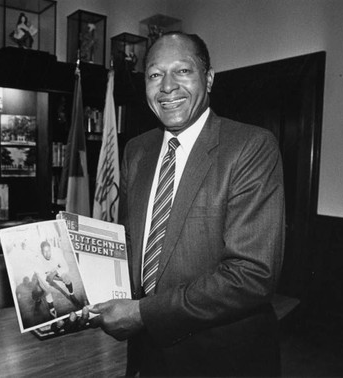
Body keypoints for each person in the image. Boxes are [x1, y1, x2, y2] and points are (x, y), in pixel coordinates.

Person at [85, 32, 285, 376]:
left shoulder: (250, 146)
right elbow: (130, 242)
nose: (167, 86)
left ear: (208, 78)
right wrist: (77, 301)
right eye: (154, 74)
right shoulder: (137, 150)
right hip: (146, 354)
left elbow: (252, 274)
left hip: (220, 359)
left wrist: (143, 313)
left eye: (182, 71)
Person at [32, 241, 76, 319]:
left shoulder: (57, 252)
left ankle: (72, 294)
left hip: (55, 270)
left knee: (67, 278)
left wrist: (56, 272)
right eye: (44, 252)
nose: (47, 253)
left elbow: (66, 267)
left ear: (51, 249)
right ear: (41, 252)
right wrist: (48, 281)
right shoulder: (37, 259)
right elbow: (44, 280)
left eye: (48, 250)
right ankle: (46, 305)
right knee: (41, 290)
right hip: (44, 274)